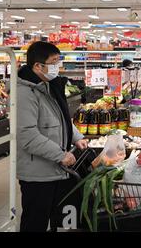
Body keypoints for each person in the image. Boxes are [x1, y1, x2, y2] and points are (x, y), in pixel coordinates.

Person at [17, 41, 88, 232]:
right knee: (35, 222)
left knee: (54, 218)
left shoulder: (48, 86)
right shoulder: (25, 93)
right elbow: (27, 135)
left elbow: (61, 119)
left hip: (54, 169)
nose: (58, 66)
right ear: (38, 66)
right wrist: (60, 154)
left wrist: (77, 137)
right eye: (54, 62)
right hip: (37, 173)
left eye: (59, 61)